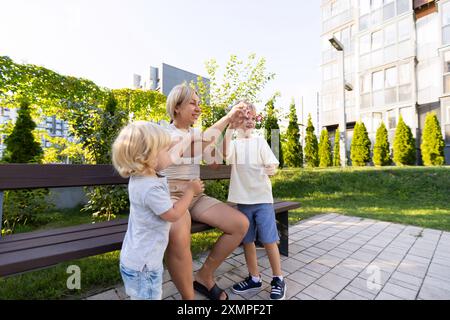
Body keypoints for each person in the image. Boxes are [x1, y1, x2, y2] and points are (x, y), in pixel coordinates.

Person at [160, 84, 249, 300]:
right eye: (193, 103)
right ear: (176, 107)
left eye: (199, 103)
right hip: (171, 196)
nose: (198, 108)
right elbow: (195, 146)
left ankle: (204, 276)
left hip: (196, 195)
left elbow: (216, 162)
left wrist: (231, 128)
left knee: (240, 224)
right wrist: (227, 118)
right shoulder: (163, 131)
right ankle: (188, 300)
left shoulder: (197, 133)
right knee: (179, 238)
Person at [112, 121, 204, 300]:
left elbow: (169, 159)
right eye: (164, 149)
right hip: (144, 267)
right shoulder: (150, 187)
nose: (168, 153)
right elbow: (173, 214)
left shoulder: (141, 176)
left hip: (136, 259)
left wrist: (188, 138)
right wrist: (190, 192)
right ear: (149, 156)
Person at [224, 102, 286, 300]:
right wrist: (228, 129)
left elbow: (272, 163)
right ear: (236, 121)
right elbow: (225, 155)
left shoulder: (259, 141)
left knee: (269, 240)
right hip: (243, 202)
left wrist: (271, 168)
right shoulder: (234, 143)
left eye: (252, 118)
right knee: (248, 241)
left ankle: (278, 278)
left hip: (262, 200)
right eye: (244, 118)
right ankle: (254, 278)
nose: (249, 121)